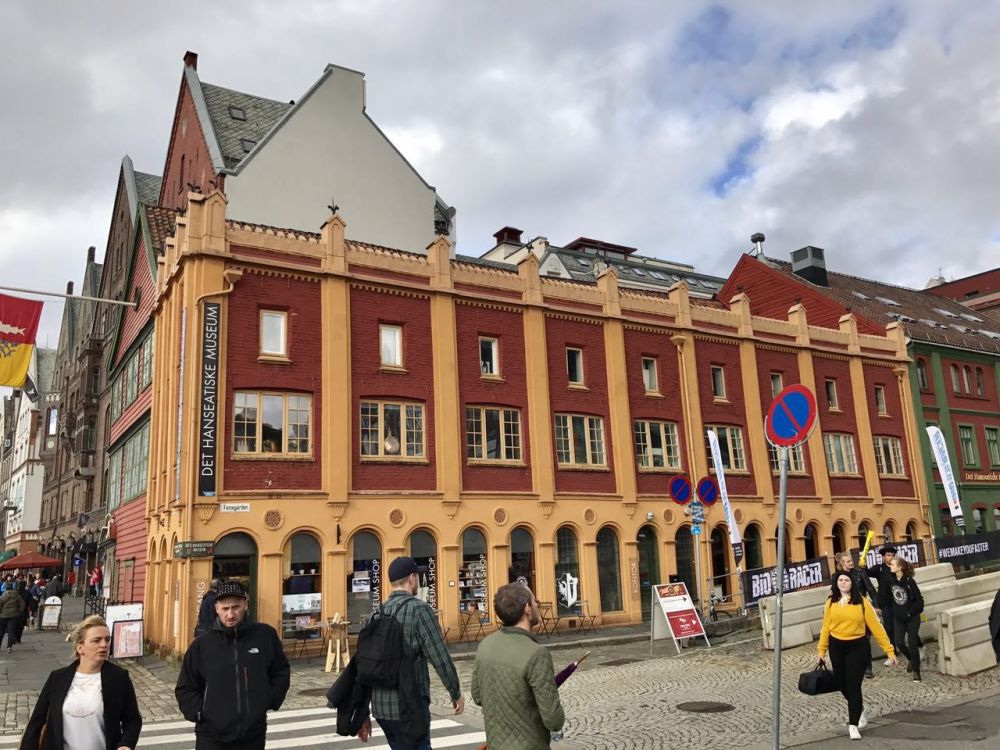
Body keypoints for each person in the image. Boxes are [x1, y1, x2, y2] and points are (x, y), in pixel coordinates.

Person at [358, 556, 464, 750]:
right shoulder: (420, 610)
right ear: (412, 578)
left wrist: (363, 712)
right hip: (410, 704)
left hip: (381, 708)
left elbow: (364, 666)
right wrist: (455, 692)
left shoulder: (376, 614)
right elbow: (439, 657)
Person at [175, 580, 290, 750]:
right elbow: (186, 686)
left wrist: (269, 700)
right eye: (225, 609)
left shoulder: (264, 636)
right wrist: (199, 713)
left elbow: (280, 671)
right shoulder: (202, 644)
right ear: (216, 608)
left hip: (253, 733)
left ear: (245, 604)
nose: (230, 615)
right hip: (211, 735)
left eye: (235, 607)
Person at [20, 615, 142, 750]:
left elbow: (132, 719)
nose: (104, 645)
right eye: (97, 640)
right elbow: (36, 722)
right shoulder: (58, 678)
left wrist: (126, 744)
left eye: (107, 639)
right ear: (80, 648)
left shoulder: (118, 677)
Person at [472, 583, 565, 749]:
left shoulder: (485, 645)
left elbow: (478, 696)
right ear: (527, 608)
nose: (537, 605)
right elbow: (553, 720)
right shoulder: (537, 654)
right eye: (535, 601)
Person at [818, 571, 896, 740]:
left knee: (853, 684)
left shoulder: (862, 602)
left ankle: (853, 724)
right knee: (841, 682)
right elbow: (826, 627)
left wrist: (889, 650)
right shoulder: (830, 602)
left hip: (857, 647)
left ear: (852, 583)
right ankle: (859, 707)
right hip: (836, 646)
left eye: (846, 580)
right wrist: (821, 650)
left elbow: (876, 627)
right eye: (840, 580)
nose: (843, 582)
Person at [835, 551, 879, 679]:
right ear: (842, 563)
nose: (851, 562)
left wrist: (876, 606)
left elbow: (871, 590)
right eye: (848, 561)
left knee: (864, 639)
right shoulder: (837, 577)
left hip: (862, 610)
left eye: (851, 560)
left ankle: (868, 667)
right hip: (845, 612)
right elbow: (834, 595)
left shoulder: (860, 574)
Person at [889, 556, 925, 681]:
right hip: (898, 618)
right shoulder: (891, 580)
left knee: (912, 644)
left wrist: (910, 613)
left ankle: (916, 671)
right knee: (899, 643)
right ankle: (911, 659)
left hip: (912, 617)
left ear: (900, 567)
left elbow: (919, 600)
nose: (890, 566)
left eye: (893, 564)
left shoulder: (909, 581)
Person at [867, 545, 898, 665]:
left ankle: (917, 645)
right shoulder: (879, 569)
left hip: (898, 602)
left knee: (904, 625)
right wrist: (863, 565)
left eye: (892, 555)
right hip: (886, 603)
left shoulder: (897, 567)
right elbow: (867, 573)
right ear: (884, 557)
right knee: (888, 628)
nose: (891, 557)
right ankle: (892, 652)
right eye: (888, 555)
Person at [0, 584, 25, 653]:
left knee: (1, 631)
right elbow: (22, 604)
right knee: (11, 631)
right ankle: (9, 647)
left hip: (3, 616)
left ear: (6, 588)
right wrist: (19, 612)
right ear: (12, 588)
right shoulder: (17, 595)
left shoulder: (3, 596)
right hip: (14, 616)